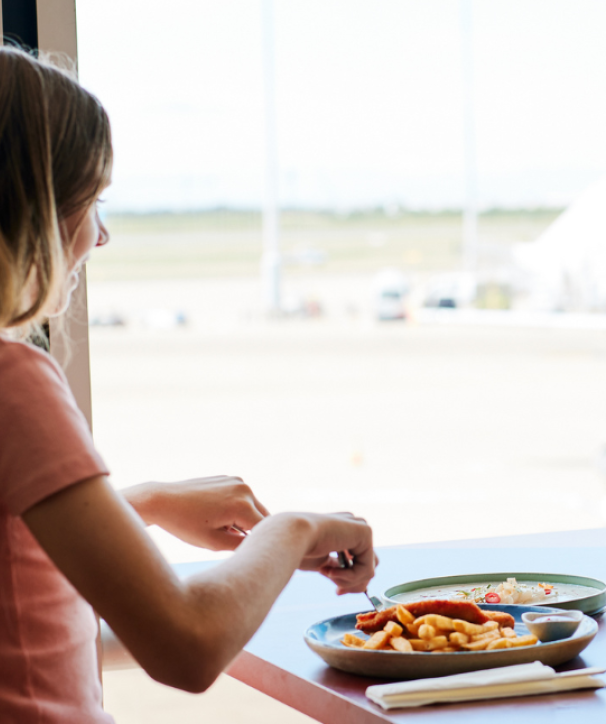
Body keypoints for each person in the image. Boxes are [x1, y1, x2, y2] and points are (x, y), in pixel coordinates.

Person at [0, 46, 377, 722]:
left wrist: (139, 504)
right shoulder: (13, 382)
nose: (100, 235)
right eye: (91, 200)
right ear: (32, 210)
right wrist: (294, 529)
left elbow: (24, 604)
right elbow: (187, 645)